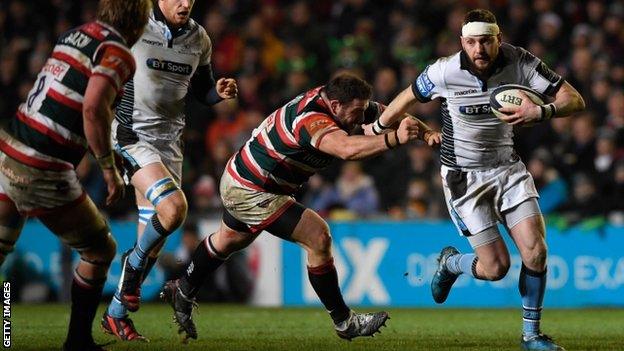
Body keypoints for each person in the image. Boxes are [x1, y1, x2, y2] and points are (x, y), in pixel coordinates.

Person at [365, 9, 585, 351]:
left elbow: (574, 98)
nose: (479, 49)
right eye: (471, 42)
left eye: (486, 41)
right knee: (496, 267)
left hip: (508, 169)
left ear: (498, 39)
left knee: (536, 251)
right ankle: (451, 263)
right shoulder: (444, 70)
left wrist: (541, 111)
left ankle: (532, 336)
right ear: (462, 42)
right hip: (463, 178)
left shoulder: (521, 62)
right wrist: (379, 128)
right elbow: (407, 97)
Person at [160, 73, 438, 342]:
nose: (359, 119)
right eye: (356, 113)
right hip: (252, 187)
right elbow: (347, 150)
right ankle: (345, 321)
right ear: (336, 106)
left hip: (249, 177)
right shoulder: (311, 119)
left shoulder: (343, 104)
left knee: (227, 241)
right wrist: (393, 139)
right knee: (318, 236)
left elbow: (390, 114)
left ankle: (182, 290)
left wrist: (425, 134)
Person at [0, 1, 151, 350]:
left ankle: (5, 334)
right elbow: (93, 106)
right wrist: (108, 168)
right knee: (100, 249)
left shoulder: (76, 34)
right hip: (42, 166)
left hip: (10, 147)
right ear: (138, 19)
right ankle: (78, 341)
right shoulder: (117, 52)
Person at [102, 0, 237, 342]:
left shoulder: (199, 38)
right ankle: (131, 266)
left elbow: (203, 90)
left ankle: (116, 314)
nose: (185, 3)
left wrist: (217, 93)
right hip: (133, 135)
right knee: (174, 208)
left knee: (157, 237)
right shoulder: (136, 26)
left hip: (169, 144)